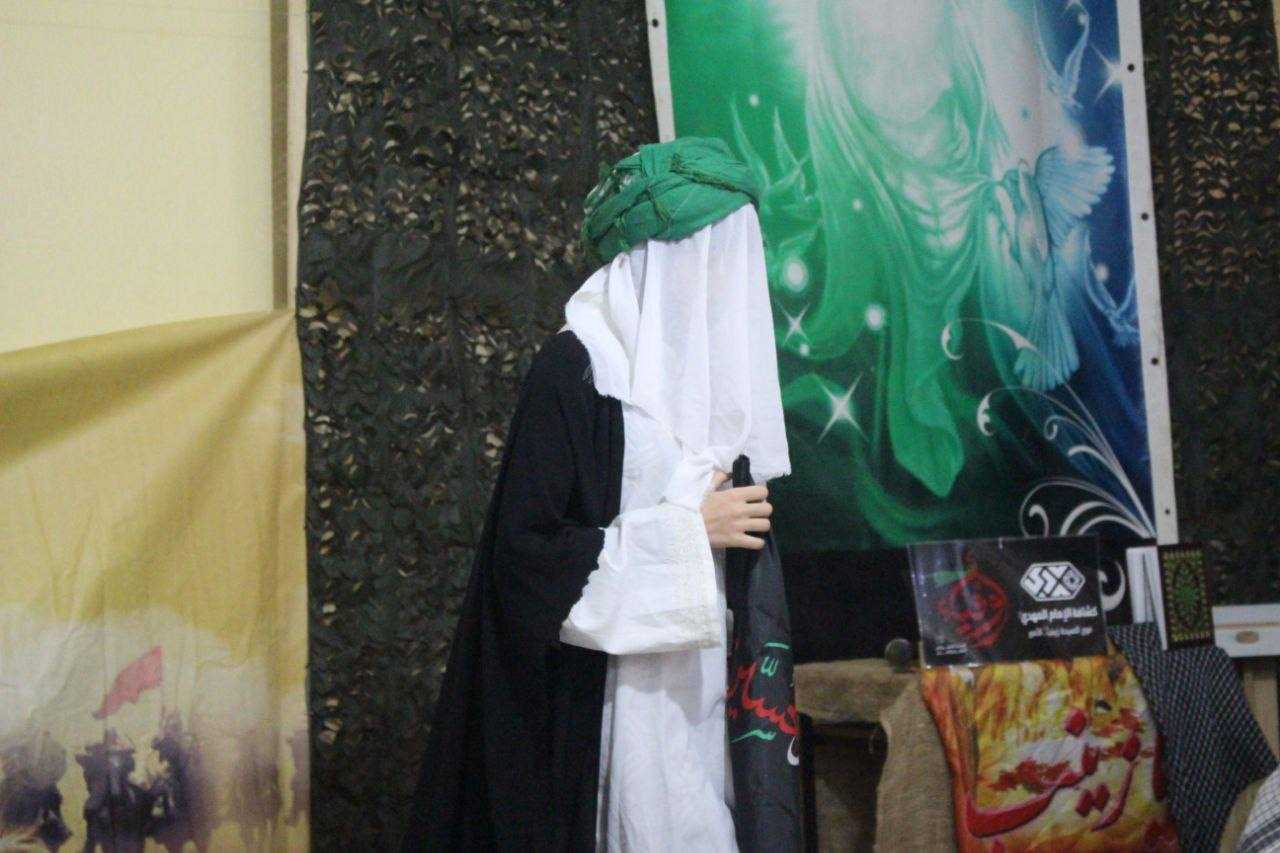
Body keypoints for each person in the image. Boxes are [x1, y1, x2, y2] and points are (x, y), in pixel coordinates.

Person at [402, 137, 790, 851]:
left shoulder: (719, 385)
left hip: (701, 691)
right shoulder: (576, 370)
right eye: (714, 255)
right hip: (601, 707)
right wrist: (688, 531)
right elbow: (525, 558)